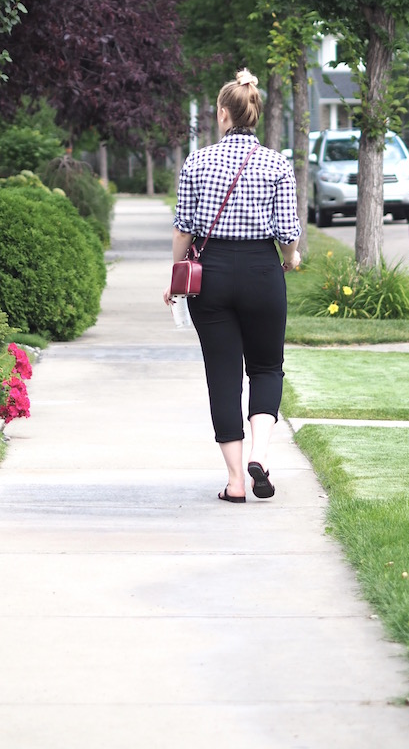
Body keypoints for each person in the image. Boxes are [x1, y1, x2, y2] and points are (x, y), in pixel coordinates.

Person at [164, 69, 302, 503]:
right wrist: (291, 257)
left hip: (213, 275)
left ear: (223, 113)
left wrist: (175, 275)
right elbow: (288, 230)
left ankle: (236, 482)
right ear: (255, 113)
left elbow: (184, 229)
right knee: (266, 367)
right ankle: (260, 454)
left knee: (223, 377)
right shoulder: (277, 163)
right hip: (263, 271)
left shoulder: (197, 161)